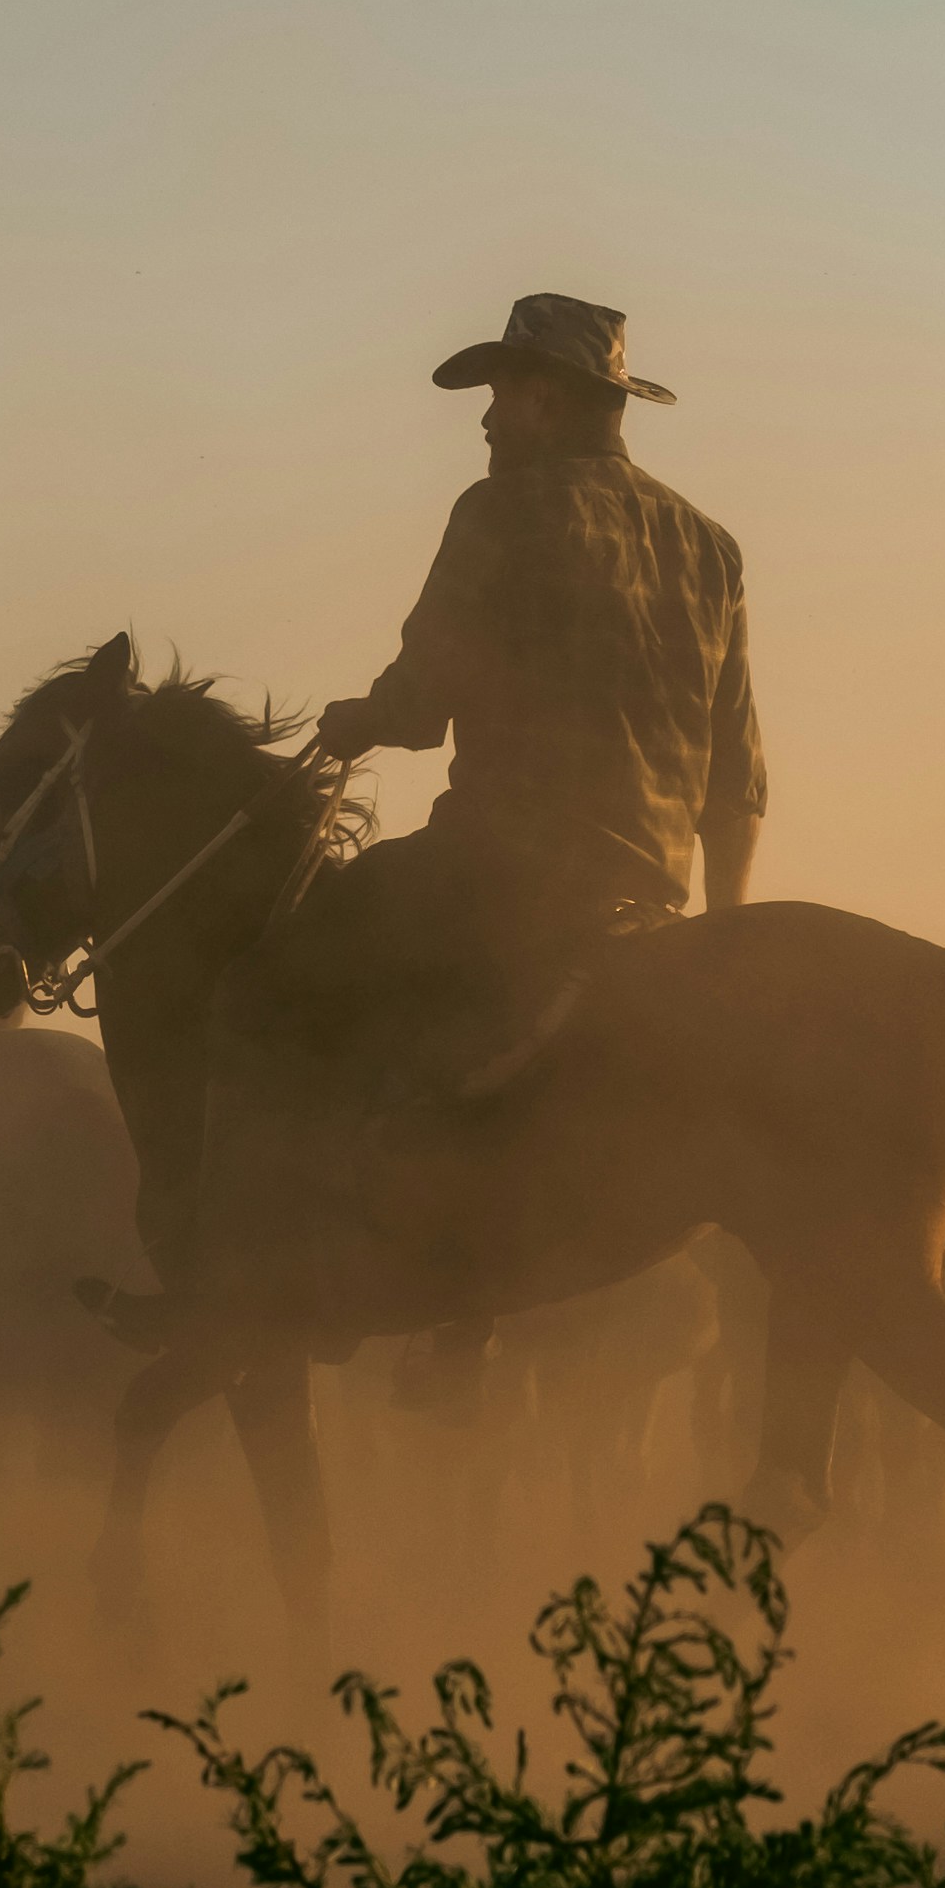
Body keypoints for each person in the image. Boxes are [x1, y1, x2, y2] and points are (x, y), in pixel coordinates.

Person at [254, 296, 764, 1402]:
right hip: (645, 887)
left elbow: (425, 698)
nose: (486, 418)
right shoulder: (711, 546)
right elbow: (738, 782)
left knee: (291, 964)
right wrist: (720, 932)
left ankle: (305, 1264)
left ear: (551, 397)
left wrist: (351, 718)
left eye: (501, 392)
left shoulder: (501, 511)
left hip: (502, 862)